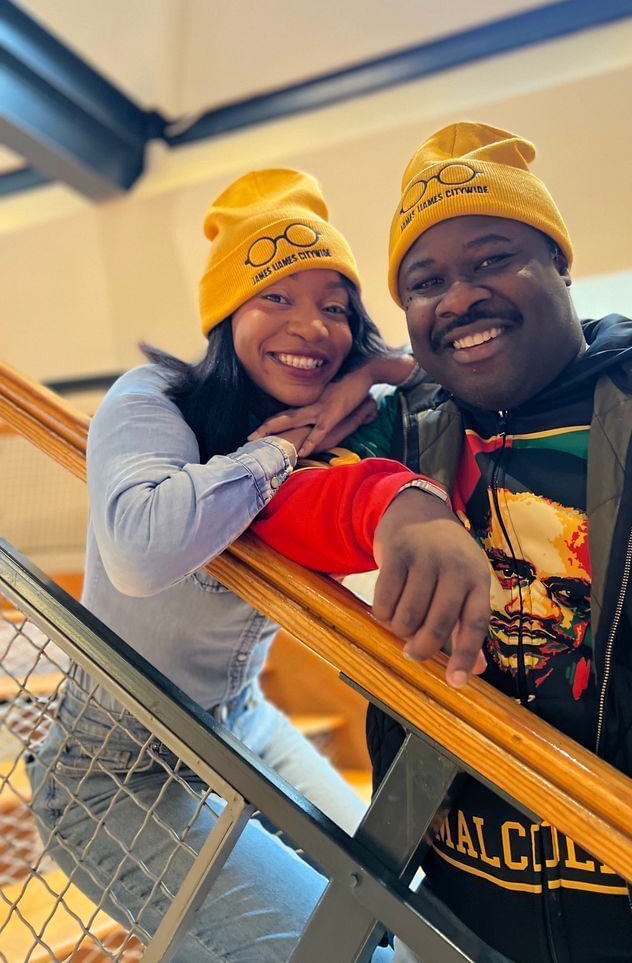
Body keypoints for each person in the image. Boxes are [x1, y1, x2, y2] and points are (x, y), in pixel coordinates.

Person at [254, 123, 632, 963]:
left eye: (492, 258)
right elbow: (252, 497)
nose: (458, 296)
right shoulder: (402, 432)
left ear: (560, 264)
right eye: (425, 280)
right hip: (465, 924)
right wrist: (392, 501)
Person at [27, 167, 490, 963]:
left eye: (334, 308)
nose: (311, 326)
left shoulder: (347, 414)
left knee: (407, 914)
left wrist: (375, 372)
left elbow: (453, 386)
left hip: (238, 721)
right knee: (340, 952)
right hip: (111, 770)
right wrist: (281, 445)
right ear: (227, 312)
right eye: (276, 295)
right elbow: (141, 549)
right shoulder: (155, 399)